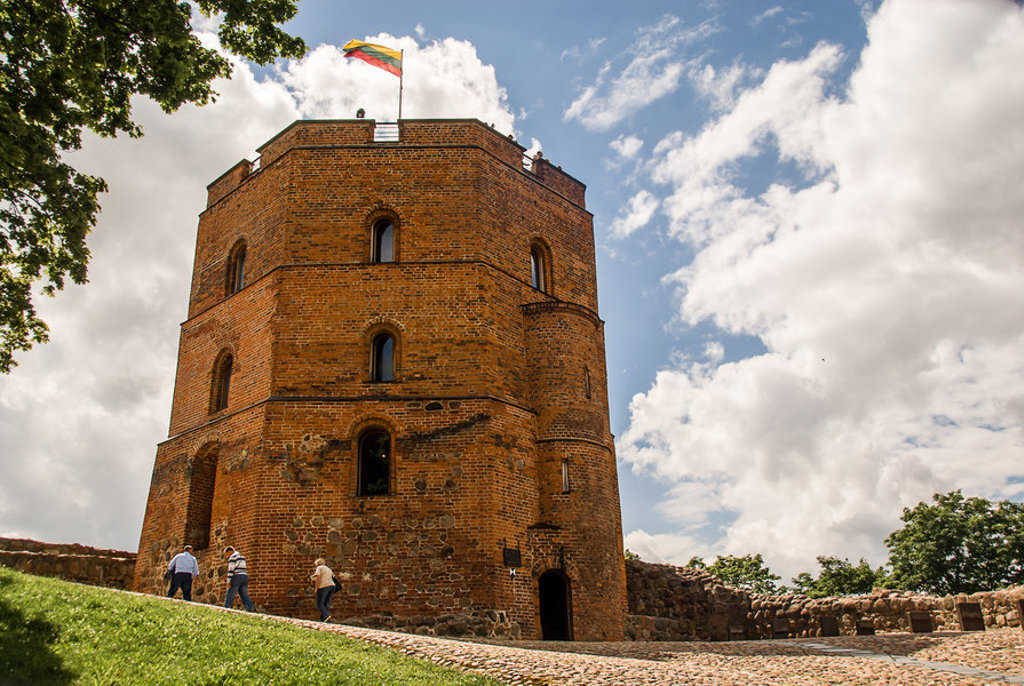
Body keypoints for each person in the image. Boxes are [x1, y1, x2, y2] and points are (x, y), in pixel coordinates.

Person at [223, 546, 256, 612]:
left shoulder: (233, 557)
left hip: (236, 577)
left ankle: (227, 608)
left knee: (231, 593)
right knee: (243, 594)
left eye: (227, 554)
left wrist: (228, 581)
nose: (228, 556)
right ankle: (250, 607)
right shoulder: (242, 557)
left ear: (230, 551)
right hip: (244, 576)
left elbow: (231, 570)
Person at [311, 557, 335, 622]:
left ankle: (326, 615)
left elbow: (318, 578)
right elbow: (333, 577)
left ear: (317, 564)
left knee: (319, 603)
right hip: (332, 586)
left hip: (324, 586)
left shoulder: (319, 568)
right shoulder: (328, 569)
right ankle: (324, 619)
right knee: (326, 603)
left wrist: (316, 588)